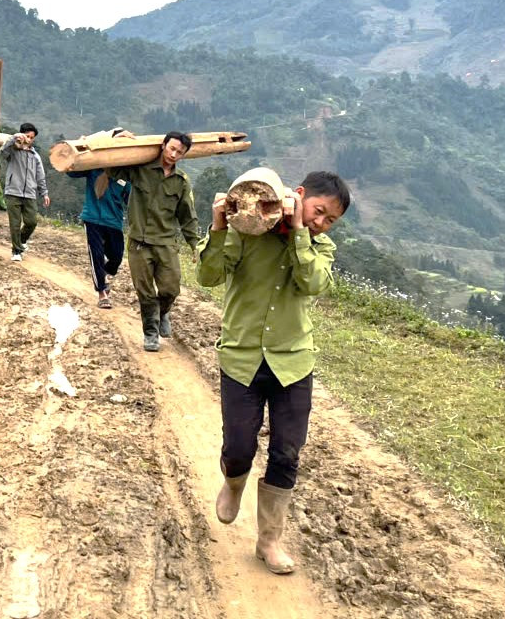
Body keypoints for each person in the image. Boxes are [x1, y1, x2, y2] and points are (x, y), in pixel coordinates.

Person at [196, 170, 350, 576]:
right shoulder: (247, 228)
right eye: (319, 211)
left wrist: (299, 231)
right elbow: (208, 276)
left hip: (293, 363)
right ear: (299, 195)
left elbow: (312, 283)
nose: (321, 222)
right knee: (239, 448)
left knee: (286, 452)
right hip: (242, 357)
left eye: (330, 220)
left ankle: (269, 540)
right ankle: (234, 483)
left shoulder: (319, 246)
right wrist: (219, 227)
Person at [108, 131, 200, 351]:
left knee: (170, 289)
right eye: (171, 148)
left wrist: (195, 244)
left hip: (165, 242)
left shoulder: (181, 182)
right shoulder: (140, 169)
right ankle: (151, 332)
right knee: (145, 291)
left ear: (183, 155)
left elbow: (187, 215)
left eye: (179, 152)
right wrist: (116, 140)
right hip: (139, 242)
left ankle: (162, 312)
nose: (174, 154)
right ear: (163, 145)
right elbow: (111, 168)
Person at [67, 131, 131, 307]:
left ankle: (103, 272)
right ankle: (102, 293)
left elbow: (130, 199)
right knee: (96, 255)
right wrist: (79, 147)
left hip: (114, 221)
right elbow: (71, 171)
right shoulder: (94, 166)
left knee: (116, 257)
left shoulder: (125, 174)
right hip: (93, 218)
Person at [0, 123, 49, 261]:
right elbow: (2, 151)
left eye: (32, 137)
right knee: (15, 223)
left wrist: (44, 193)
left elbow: (40, 176)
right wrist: (14, 138)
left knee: (31, 222)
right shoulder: (13, 151)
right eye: (27, 136)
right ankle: (16, 251)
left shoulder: (35, 156)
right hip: (13, 192)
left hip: (29, 193)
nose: (29, 139)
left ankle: (21, 241)